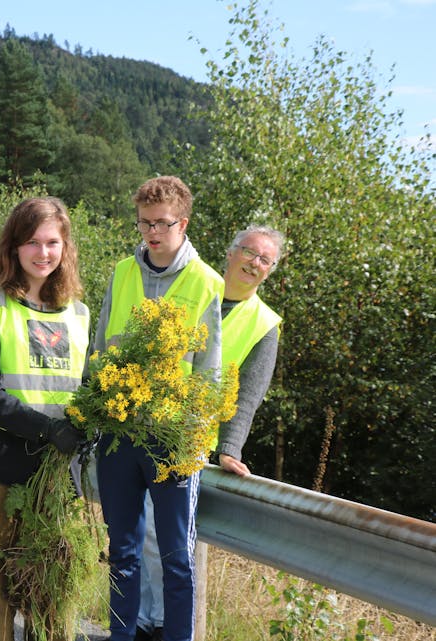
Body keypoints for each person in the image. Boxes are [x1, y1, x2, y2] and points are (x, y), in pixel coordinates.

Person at [135, 225, 285, 640]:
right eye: (249, 253)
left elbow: (249, 395)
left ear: (270, 271)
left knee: (161, 537)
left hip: (191, 441)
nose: (254, 264)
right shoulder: (196, 286)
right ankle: (143, 619)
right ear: (231, 252)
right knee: (137, 533)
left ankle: (161, 624)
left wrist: (230, 447)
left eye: (264, 260)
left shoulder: (265, 324)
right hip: (149, 424)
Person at [91, 176, 223, 641]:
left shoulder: (206, 281)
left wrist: (198, 441)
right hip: (118, 433)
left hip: (172, 441)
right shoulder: (123, 271)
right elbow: (102, 343)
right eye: (144, 223)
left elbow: (210, 371)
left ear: (182, 223)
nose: (150, 232)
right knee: (122, 551)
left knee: (176, 559)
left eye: (160, 223)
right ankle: (121, 636)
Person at [0, 196, 90, 641]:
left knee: (51, 601)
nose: (43, 252)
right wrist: (49, 430)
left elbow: (86, 389)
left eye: (52, 242)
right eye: (32, 242)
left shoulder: (79, 314)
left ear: (65, 247)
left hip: (53, 480)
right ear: (13, 248)